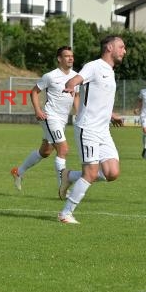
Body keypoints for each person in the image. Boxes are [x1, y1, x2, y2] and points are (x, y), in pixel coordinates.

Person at [57, 35, 126, 224]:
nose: (124, 51)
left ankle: (69, 176)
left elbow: (99, 99)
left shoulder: (110, 72)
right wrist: (70, 85)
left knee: (112, 173)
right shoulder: (94, 66)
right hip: (87, 128)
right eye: (121, 47)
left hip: (103, 130)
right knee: (91, 173)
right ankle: (66, 213)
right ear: (110, 47)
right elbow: (75, 80)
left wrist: (112, 115)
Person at [10, 46, 79, 191]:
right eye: (67, 56)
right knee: (63, 149)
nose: (71, 58)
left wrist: (79, 113)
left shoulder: (76, 76)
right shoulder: (50, 76)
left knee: (45, 151)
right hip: (50, 116)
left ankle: (18, 172)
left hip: (62, 119)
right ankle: (62, 187)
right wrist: (38, 110)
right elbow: (34, 92)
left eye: (72, 56)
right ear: (59, 59)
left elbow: (76, 96)